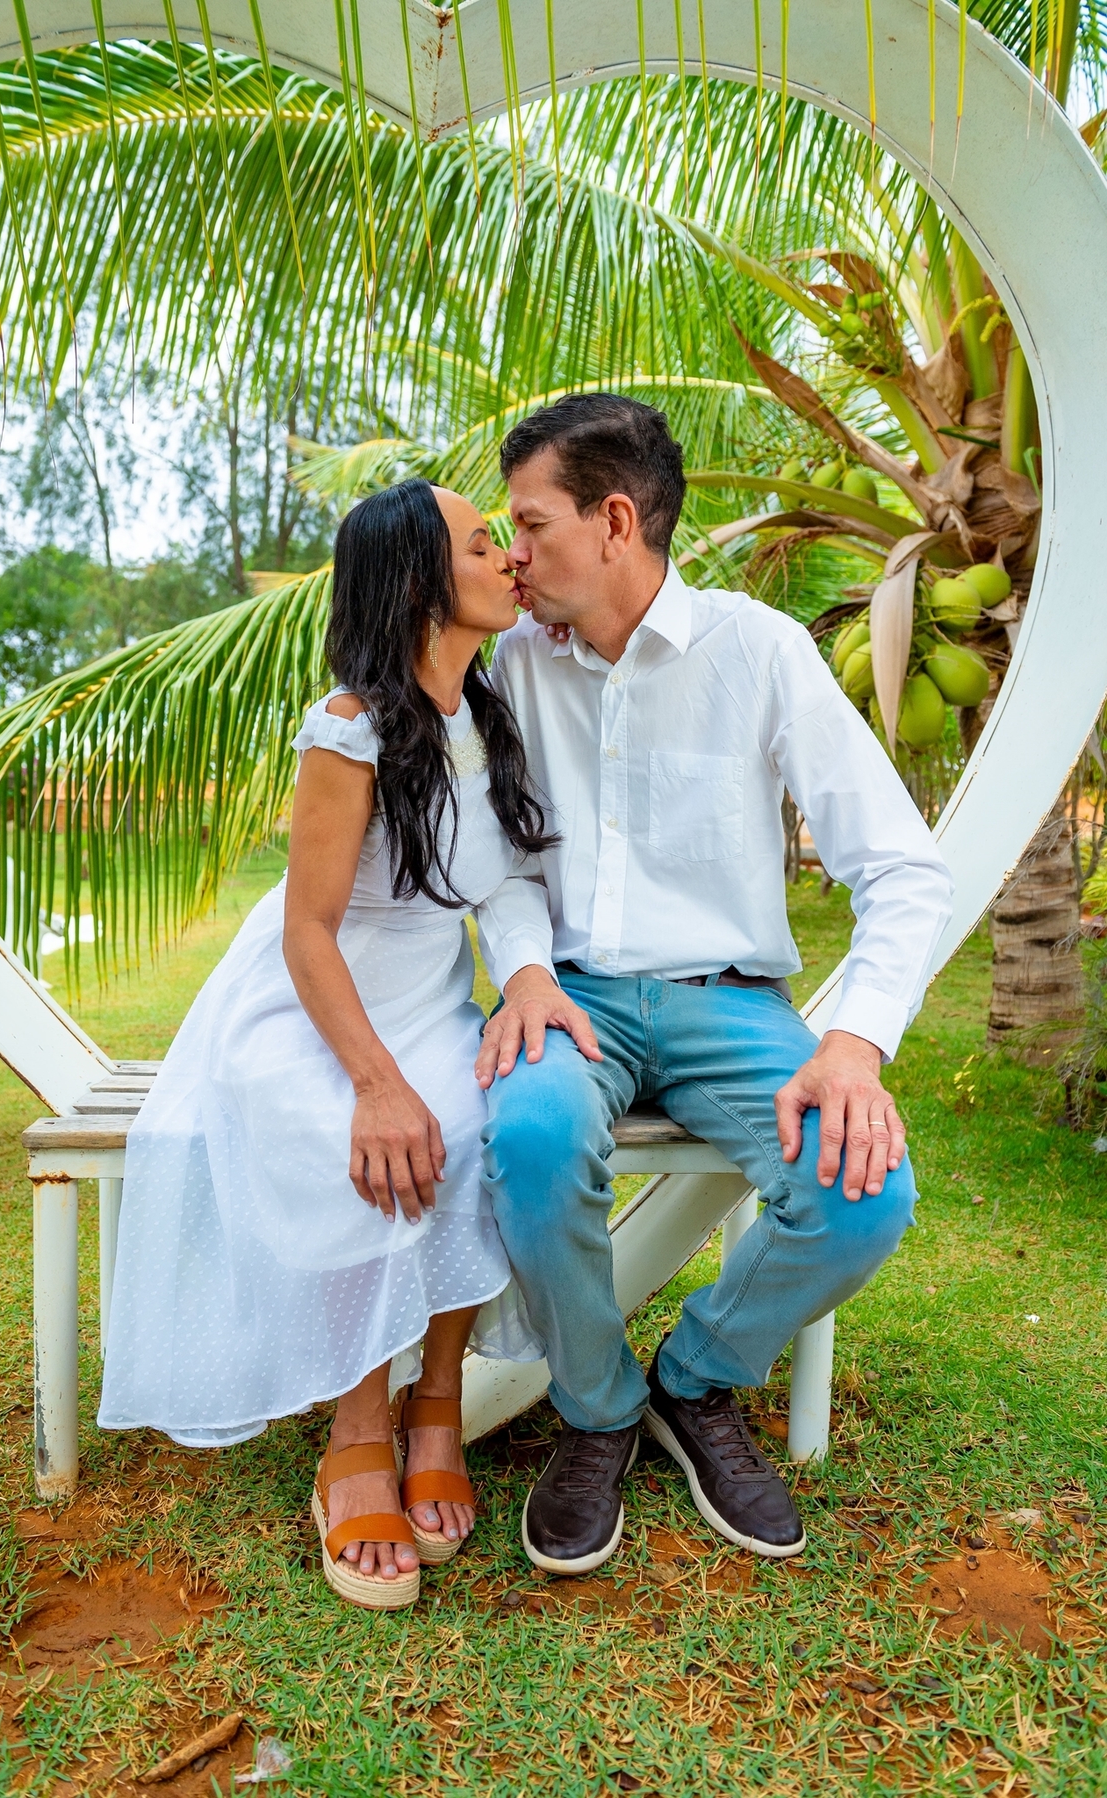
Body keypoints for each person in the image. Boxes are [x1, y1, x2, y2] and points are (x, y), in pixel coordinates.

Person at [471, 394, 954, 1575]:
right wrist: (527, 968)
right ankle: (594, 1407)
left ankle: (692, 1382)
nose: (513, 552)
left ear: (616, 520)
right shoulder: (512, 666)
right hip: (570, 994)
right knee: (530, 1137)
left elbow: (901, 866)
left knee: (863, 1192)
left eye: (529, 525)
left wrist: (854, 1044)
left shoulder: (760, 650)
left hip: (731, 1001)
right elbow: (501, 859)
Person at [98, 479, 587, 1611]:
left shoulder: (487, 711)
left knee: (477, 1126)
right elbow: (305, 931)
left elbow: (506, 879)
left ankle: (437, 1401)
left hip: (427, 1006)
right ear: (421, 582)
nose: (512, 558)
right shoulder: (353, 726)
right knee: (356, 1147)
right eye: (483, 544)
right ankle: (356, 1429)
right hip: (310, 1010)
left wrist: (521, 977)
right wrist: (371, 1084)